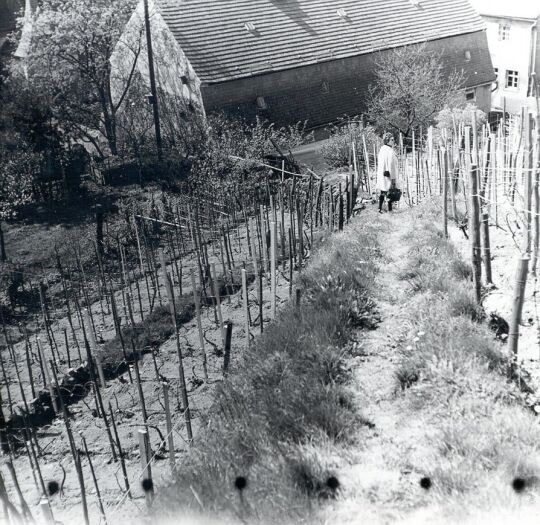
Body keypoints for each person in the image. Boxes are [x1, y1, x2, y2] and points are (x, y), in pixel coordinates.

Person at [376, 132, 399, 213]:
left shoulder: (382, 149)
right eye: (391, 140)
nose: (393, 141)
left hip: (382, 174)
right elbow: (391, 165)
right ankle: (390, 210)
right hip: (389, 174)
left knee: (383, 191)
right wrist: (393, 178)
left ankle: (379, 208)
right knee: (391, 192)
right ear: (387, 141)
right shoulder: (390, 151)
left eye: (393, 139)